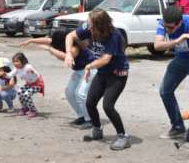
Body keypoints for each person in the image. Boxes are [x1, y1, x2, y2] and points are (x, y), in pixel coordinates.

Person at [65, 9, 130, 151]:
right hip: (102, 72)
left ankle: (122, 136)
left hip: (117, 74)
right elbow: (70, 36)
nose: (88, 27)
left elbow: (106, 59)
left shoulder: (114, 35)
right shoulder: (89, 27)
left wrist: (89, 66)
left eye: (91, 25)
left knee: (108, 105)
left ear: (100, 26)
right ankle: (97, 130)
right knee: (90, 102)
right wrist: (69, 54)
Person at [20, 30, 96, 129]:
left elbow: (66, 57)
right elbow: (47, 40)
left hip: (90, 69)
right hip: (78, 71)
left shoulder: (74, 47)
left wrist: (50, 49)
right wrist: (31, 40)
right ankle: (82, 116)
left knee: (80, 94)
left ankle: (90, 120)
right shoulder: (61, 42)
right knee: (69, 92)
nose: (51, 41)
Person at [154, 6, 189, 138]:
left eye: (172, 28)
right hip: (181, 58)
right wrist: (178, 40)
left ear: (180, 22)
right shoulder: (164, 23)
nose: (168, 30)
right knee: (165, 91)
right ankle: (178, 126)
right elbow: (157, 45)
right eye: (166, 27)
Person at [8, 52, 44, 118]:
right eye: (14, 61)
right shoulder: (17, 69)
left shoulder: (28, 67)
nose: (15, 63)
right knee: (19, 92)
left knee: (27, 94)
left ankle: (33, 110)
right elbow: (9, 75)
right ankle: (25, 108)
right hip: (29, 84)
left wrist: (32, 72)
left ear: (22, 61)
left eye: (17, 61)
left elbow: (36, 74)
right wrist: (3, 74)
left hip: (38, 84)